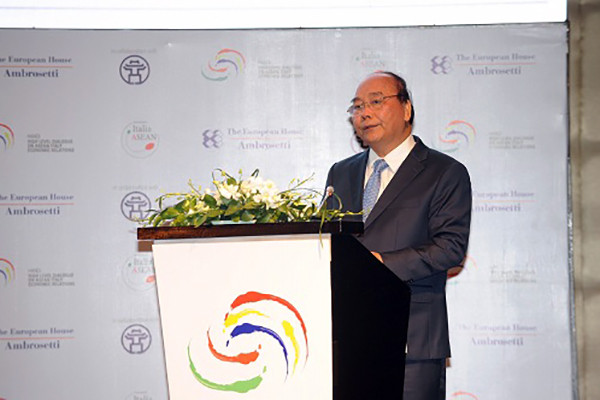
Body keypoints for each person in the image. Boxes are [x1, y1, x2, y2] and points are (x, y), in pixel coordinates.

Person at [325, 71, 472, 400]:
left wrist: (378, 264)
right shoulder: (341, 172)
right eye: (357, 106)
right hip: (347, 339)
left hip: (413, 337)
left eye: (376, 101)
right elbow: (327, 242)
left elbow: (450, 247)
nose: (364, 113)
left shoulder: (444, 172)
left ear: (406, 109)